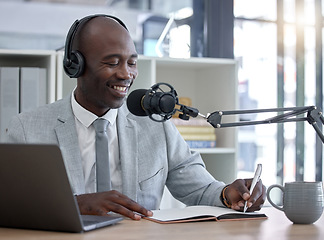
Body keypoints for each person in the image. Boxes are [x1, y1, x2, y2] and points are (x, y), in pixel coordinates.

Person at [6, 14, 266, 220]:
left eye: (131, 62)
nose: (126, 74)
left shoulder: (155, 125)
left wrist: (228, 194)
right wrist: (75, 205)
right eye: (112, 62)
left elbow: (199, 188)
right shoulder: (27, 129)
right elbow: (11, 204)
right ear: (76, 66)